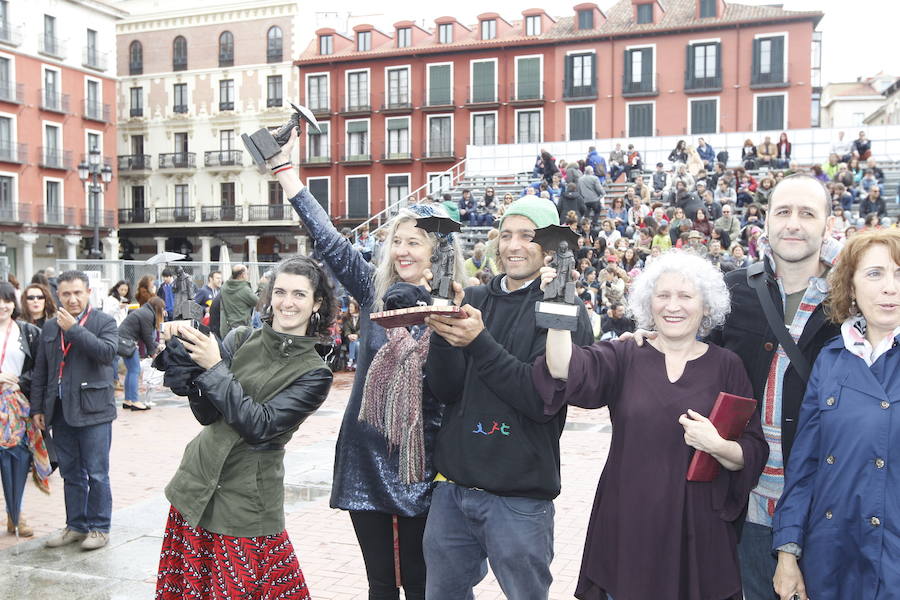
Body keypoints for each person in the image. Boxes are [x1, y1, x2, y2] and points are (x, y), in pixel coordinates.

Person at [272, 128, 467, 600]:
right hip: (365, 454)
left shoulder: (460, 308)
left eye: (414, 242)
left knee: (422, 582)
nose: (401, 250)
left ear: (437, 250)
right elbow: (332, 244)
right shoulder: (374, 295)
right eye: (397, 240)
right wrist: (286, 174)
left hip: (422, 462)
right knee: (380, 582)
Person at [536, 250, 768, 599]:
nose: (672, 305)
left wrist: (717, 445)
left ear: (706, 307)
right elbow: (562, 368)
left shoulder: (728, 366)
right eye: (663, 295)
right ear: (649, 303)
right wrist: (557, 313)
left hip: (697, 531)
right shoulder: (625, 356)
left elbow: (751, 451)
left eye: (685, 296)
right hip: (629, 524)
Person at [421, 195, 593, 599]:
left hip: (520, 500)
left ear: (550, 246)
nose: (513, 245)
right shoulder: (475, 299)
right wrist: (444, 331)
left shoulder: (562, 309)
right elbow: (445, 390)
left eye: (527, 236)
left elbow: (540, 399)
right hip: (453, 491)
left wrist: (478, 341)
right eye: (506, 234)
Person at [155, 255, 336, 600]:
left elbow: (259, 424)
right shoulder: (241, 338)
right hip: (196, 484)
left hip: (246, 503)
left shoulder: (315, 373)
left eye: (299, 294)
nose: (287, 302)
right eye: (280, 291)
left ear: (317, 303)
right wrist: (189, 369)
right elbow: (209, 415)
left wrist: (215, 368)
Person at [772, 229, 900, 600]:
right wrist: (788, 551)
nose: (889, 287)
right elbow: (806, 465)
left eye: (899, 273)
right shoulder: (831, 357)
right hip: (832, 558)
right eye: (875, 274)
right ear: (852, 287)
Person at [30, 270, 118, 550]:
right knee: (70, 473)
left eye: (77, 293)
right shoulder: (49, 327)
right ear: (58, 295)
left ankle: (99, 528)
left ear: (88, 292)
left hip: (94, 411)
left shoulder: (104, 322)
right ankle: (76, 525)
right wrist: (38, 408)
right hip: (59, 410)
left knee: (97, 473)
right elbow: (42, 371)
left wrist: (75, 330)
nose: (72, 299)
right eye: (66, 294)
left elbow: (106, 354)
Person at [0, 282, 49, 538]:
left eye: (7, 299)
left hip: (16, 408)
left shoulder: (27, 332)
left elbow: (40, 369)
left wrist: (19, 380)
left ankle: (14, 512)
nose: (2, 305)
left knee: (16, 460)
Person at [117, 297, 165, 411]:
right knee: (135, 370)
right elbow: (147, 336)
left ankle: (128, 400)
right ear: (157, 307)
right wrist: (153, 353)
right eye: (163, 308)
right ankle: (134, 401)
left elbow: (145, 336)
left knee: (131, 370)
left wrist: (156, 345)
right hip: (127, 342)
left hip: (122, 341)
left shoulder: (145, 311)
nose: (164, 311)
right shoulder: (147, 314)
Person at [219, 265, 258, 338]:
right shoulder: (245, 289)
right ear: (242, 275)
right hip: (243, 328)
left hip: (228, 327)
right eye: (247, 273)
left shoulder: (224, 288)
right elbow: (258, 302)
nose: (248, 275)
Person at [341, 298, 361, 371]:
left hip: (360, 338)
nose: (350, 308)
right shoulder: (346, 317)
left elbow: (363, 328)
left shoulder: (362, 317)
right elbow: (346, 328)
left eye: (352, 307)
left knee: (357, 344)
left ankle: (351, 361)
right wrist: (349, 335)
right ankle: (354, 362)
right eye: (349, 307)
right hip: (349, 339)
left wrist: (357, 335)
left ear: (356, 307)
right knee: (354, 342)